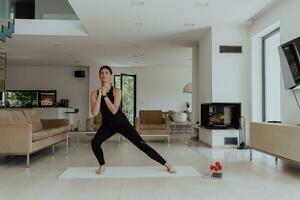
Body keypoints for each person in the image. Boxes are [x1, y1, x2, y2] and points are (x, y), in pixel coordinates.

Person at [90, 65, 176, 175]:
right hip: (107, 125)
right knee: (95, 143)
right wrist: (100, 96)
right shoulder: (94, 93)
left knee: (141, 144)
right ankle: (102, 165)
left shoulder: (117, 91)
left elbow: (114, 111)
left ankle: (167, 164)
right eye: (101, 73)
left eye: (107, 72)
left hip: (122, 123)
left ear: (110, 76)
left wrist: (105, 96)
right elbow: (95, 112)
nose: (104, 75)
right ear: (99, 76)